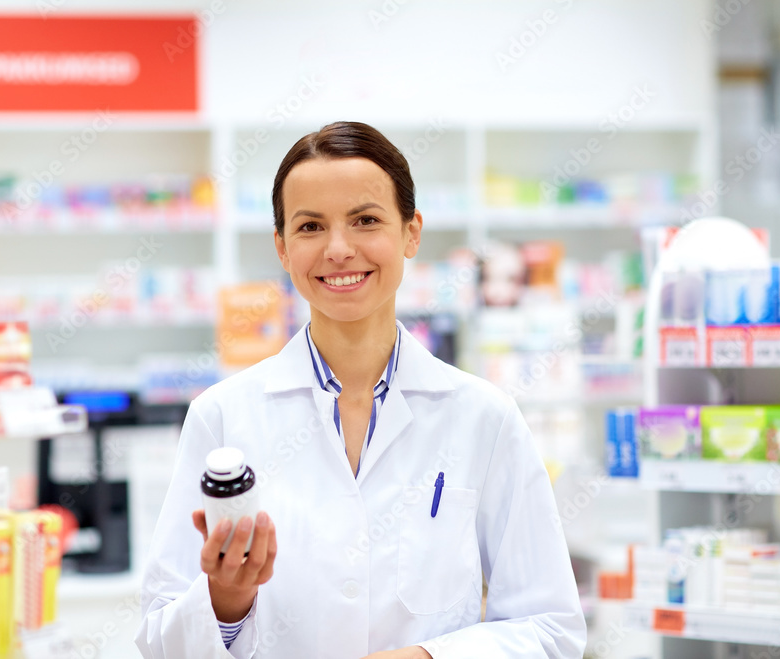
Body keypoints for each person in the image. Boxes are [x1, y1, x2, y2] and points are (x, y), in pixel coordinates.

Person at [136, 122, 586, 658]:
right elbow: (160, 640)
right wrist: (226, 599)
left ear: (411, 232)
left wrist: (422, 658)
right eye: (310, 227)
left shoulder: (484, 417)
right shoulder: (222, 416)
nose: (339, 249)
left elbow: (550, 628)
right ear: (282, 247)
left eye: (366, 220)